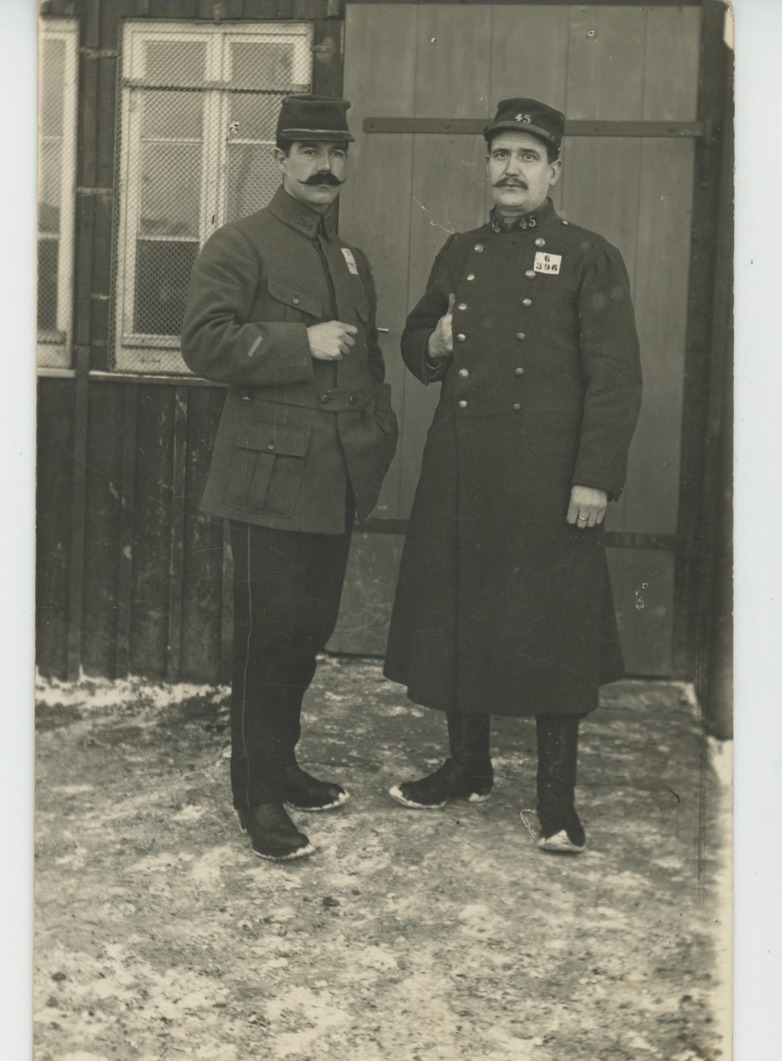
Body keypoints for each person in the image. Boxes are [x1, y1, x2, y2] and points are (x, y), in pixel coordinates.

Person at [383, 97, 642, 853]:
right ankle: (468, 766)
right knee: (464, 618)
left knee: (552, 631)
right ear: (485, 165)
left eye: (528, 157)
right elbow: (411, 343)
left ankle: (556, 802)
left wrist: (595, 477)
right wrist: (432, 337)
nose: (511, 169)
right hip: (465, 469)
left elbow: (616, 377)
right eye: (500, 155)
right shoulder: (459, 251)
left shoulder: (590, 254)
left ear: (553, 171)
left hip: (549, 479)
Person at [181, 95, 397, 863]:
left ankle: (282, 764)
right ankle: (257, 797)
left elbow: (368, 365)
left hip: (332, 483)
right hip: (266, 486)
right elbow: (203, 343)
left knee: (304, 639)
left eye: (335, 151)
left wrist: (378, 435)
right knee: (264, 645)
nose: (323, 165)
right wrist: (299, 340)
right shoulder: (239, 244)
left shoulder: (349, 258)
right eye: (306, 150)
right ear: (279, 158)